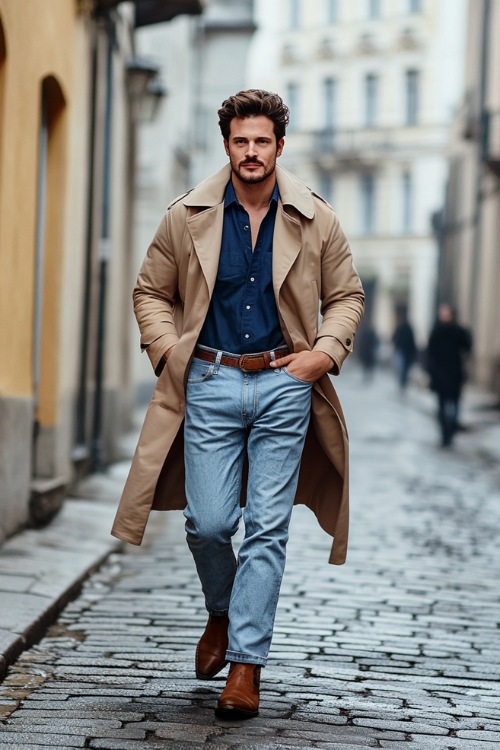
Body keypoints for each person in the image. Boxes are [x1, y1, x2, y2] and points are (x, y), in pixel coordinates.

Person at [111, 89, 364, 719]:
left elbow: (347, 296)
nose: (251, 153)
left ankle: (246, 666)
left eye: (262, 142)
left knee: (266, 531)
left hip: (284, 385)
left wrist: (323, 355)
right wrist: (172, 354)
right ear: (226, 144)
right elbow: (150, 290)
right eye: (240, 141)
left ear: (281, 145)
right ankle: (221, 614)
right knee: (210, 523)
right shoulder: (187, 215)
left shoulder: (316, 218)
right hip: (211, 381)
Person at [426, 303, 472, 446]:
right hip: (440, 375)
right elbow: (430, 352)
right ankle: (445, 433)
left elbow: (467, 347)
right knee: (441, 405)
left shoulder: (458, 331)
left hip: (454, 373)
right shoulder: (436, 331)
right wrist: (431, 372)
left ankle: (451, 427)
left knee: (454, 403)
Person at [392, 311, 417, 391]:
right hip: (404, 352)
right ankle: (402, 383)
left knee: (402, 369)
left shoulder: (403, 328)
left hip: (404, 352)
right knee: (403, 369)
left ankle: (402, 383)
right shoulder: (405, 329)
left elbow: (394, 338)